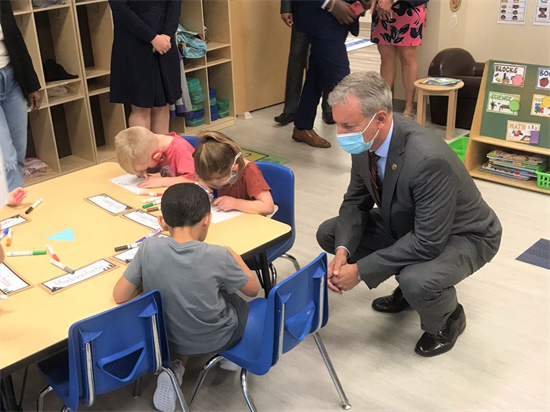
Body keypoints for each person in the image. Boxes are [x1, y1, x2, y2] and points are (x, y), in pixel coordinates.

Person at [316, 72, 502, 357]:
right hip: (412, 221)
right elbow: (355, 202)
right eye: (338, 124)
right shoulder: (367, 138)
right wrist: (343, 253)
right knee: (331, 233)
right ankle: (407, 288)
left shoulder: (427, 160)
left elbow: (428, 241)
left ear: (379, 118)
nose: (340, 134)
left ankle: (448, 318)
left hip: (465, 233)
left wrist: (361, 271)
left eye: (347, 125)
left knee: (418, 279)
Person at [113, 183, 259, 412]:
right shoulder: (219, 255)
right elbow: (253, 290)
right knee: (238, 302)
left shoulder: (148, 247)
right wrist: (235, 256)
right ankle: (231, 356)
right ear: (207, 220)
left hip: (167, 338)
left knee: (178, 303)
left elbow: (119, 296)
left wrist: (153, 275)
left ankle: (174, 366)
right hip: (215, 338)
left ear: (162, 222)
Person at [291, 0, 370, 148]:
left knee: (317, 72)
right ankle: (363, 138)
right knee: (342, 81)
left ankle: (302, 126)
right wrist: (328, 2)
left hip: (339, 18)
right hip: (320, 16)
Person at [108, 0, 181, 134]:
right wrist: (152, 37)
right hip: (133, 42)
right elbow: (119, 7)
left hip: (165, 43)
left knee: (162, 104)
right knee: (141, 107)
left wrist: (166, 35)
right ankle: (142, 154)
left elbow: (174, 3)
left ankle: (160, 153)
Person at [0, 1, 41, 192]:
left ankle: (16, 198)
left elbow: (14, 38)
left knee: (18, 151)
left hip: (11, 77)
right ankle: (9, 208)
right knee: (5, 156)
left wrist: (31, 84)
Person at [275, 0, 333, 126]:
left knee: (328, 59)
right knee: (296, 59)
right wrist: (286, 7)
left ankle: (329, 109)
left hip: (331, 12)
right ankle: (290, 110)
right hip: (302, 10)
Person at [193, 131, 275, 216]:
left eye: (218, 182)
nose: (216, 185)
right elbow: (201, 179)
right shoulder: (211, 168)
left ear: (234, 168)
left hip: (251, 223)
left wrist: (235, 203)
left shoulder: (250, 172)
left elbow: (268, 207)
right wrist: (204, 188)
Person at [370, 0, 428, 119]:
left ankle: (409, 107)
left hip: (409, 8)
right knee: (386, 59)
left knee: (408, 58)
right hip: (382, 9)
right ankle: (384, 105)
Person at [114, 126, 195, 188]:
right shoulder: (154, 146)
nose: (145, 170)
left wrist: (163, 181)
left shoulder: (181, 150)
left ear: (157, 156)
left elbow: (194, 179)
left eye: (145, 167)